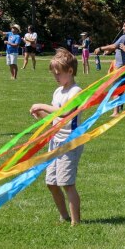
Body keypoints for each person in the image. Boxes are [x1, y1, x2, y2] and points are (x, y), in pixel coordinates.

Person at [29, 49, 83, 226]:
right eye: (54, 74)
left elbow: (66, 111)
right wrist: (40, 113)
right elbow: (54, 117)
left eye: (58, 74)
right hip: (55, 141)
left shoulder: (76, 91)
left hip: (70, 143)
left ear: (70, 71)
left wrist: (41, 104)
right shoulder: (57, 91)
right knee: (51, 183)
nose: (56, 77)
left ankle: (76, 223)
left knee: (67, 183)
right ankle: (64, 217)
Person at [97, 20, 125, 115]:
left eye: (124, 26)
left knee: (116, 89)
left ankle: (115, 112)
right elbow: (117, 48)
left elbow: (114, 46)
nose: (122, 28)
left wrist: (100, 48)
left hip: (120, 67)